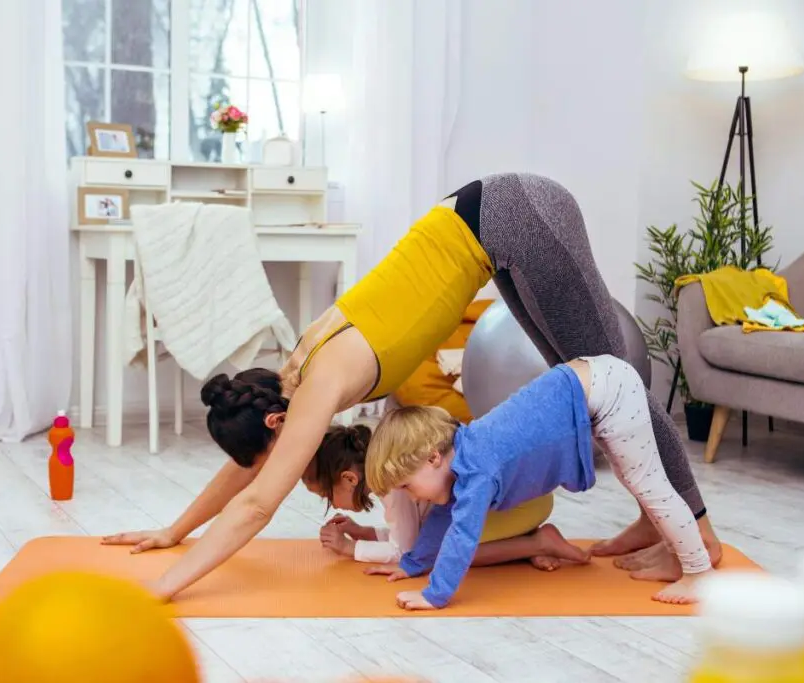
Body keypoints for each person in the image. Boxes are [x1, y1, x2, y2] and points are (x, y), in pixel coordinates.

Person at [103, 173, 722, 601]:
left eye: (273, 455)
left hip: (517, 213)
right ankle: (655, 519)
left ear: (274, 424)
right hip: (490, 229)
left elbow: (257, 502)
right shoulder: (288, 385)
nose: (281, 469)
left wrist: (166, 583)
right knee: (591, 368)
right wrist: (174, 530)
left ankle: (699, 534)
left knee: (617, 376)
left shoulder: (315, 386)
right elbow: (250, 472)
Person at [364, 355, 714, 610]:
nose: (412, 496)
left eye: (408, 486)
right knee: (636, 480)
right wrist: (411, 563)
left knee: (649, 485)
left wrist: (433, 594)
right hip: (594, 385)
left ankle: (699, 571)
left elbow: (462, 534)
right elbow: (445, 517)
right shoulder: (463, 456)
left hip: (608, 390)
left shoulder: (477, 468)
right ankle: (678, 556)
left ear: (432, 457)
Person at [304, 423, 588, 571]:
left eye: (326, 496)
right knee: (438, 540)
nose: (331, 504)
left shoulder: (392, 485)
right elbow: (409, 533)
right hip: (519, 502)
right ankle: (526, 543)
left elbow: (407, 551)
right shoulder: (389, 471)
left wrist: (348, 549)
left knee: (441, 554)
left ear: (349, 479)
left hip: (522, 502)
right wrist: (362, 532)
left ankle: (537, 543)